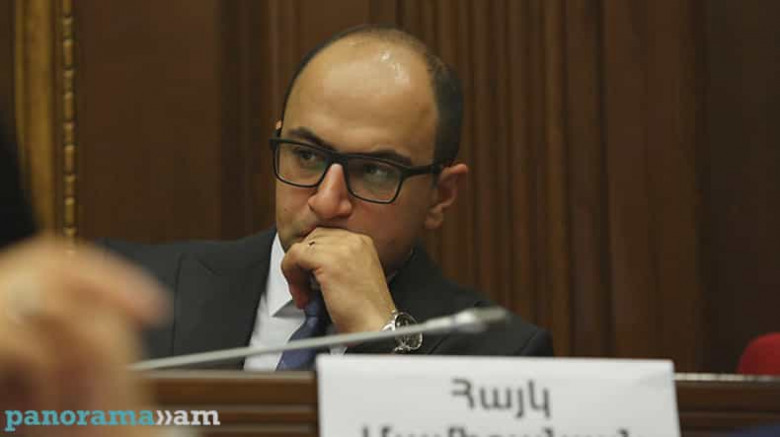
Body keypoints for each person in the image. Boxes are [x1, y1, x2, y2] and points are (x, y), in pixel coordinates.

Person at [105, 24, 553, 370]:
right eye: (306, 155)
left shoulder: (504, 358)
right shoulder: (134, 298)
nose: (326, 201)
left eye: (375, 171)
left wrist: (381, 336)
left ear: (440, 195)